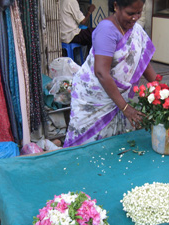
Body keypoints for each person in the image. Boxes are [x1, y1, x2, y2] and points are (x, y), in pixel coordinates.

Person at [63, 0, 158, 147]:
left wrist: (163, 92)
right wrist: (125, 108)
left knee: (113, 146)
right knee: (86, 146)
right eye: (130, 13)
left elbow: (143, 62)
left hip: (115, 96)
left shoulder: (136, 30)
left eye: (138, 12)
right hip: (94, 97)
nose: (135, 17)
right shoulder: (106, 30)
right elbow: (101, 72)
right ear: (116, 6)